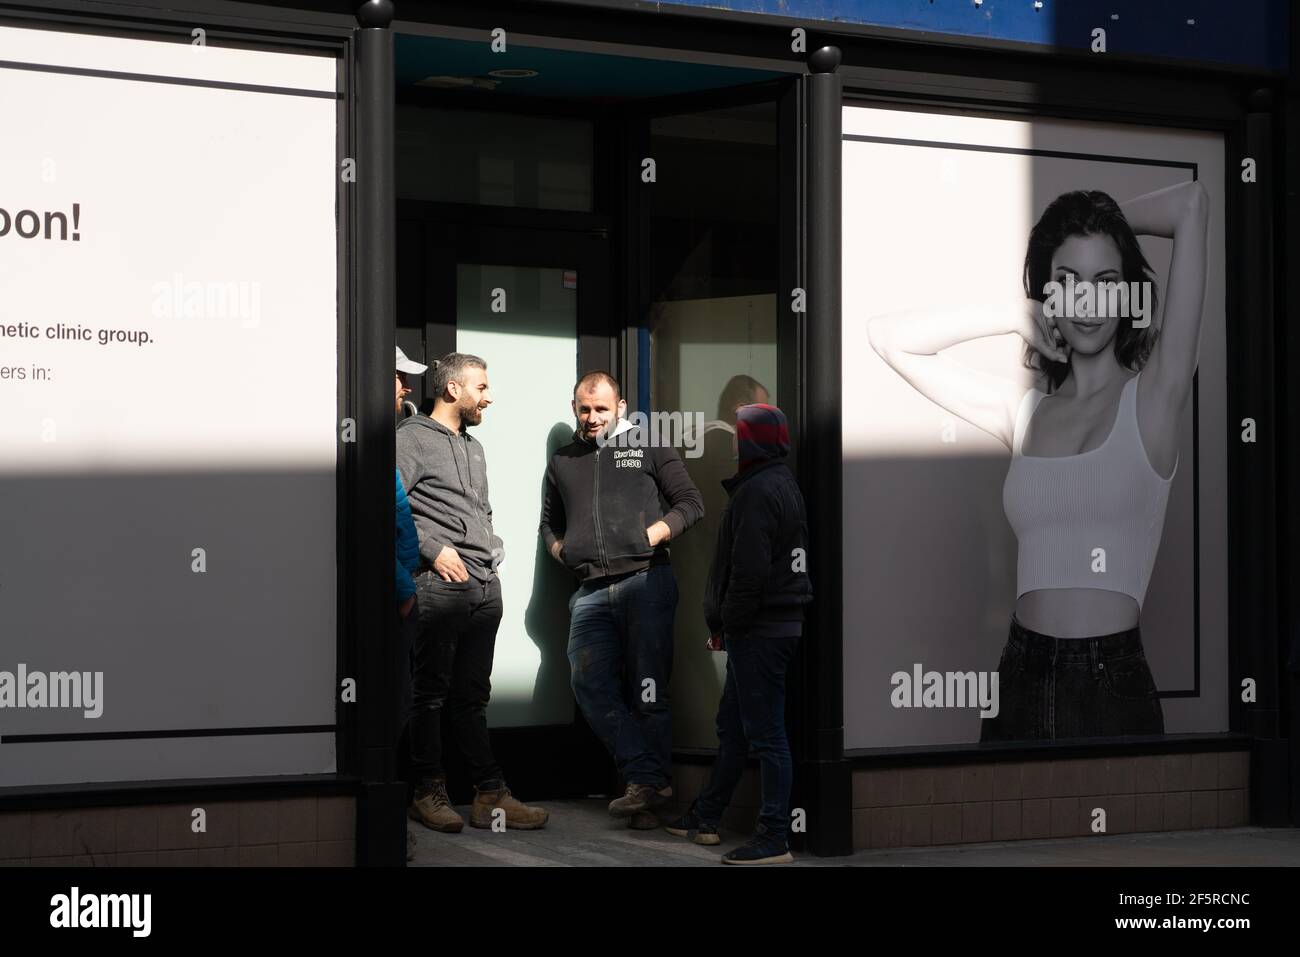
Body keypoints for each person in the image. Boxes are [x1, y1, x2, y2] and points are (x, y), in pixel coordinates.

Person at [866, 182, 1209, 740]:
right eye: (1068, 283)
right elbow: (887, 338)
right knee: (1002, 830)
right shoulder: (1021, 411)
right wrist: (1010, 313)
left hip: (1111, 685)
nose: (1088, 304)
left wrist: (1099, 219)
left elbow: (1192, 204)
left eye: (1105, 283)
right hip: (1018, 676)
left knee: (1118, 831)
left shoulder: (1155, 398)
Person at [540, 371, 704, 824]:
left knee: (648, 690)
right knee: (588, 684)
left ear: (621, 407)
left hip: (646, 581)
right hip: (590, 589)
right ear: (574, 407)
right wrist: (563, 551)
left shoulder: (648, 445)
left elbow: (691, 502)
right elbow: (548, 525)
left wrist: (656, 531)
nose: (591, 418)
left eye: (601, 409)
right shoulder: (563, 459)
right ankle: (649, 777)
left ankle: (647, 789)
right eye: (583, 408)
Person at [397, 352, 548, 832]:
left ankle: (489, 796)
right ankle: (426, 791)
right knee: (430, 696)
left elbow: (479, 510)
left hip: (484, 585)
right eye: (481, 387)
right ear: (453, 390)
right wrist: (432, 548)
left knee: (471, 697)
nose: (489, 396)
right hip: (438, 587)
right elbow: (386, 504)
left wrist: (493, 551)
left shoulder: (473, 446)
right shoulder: (411, 439)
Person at [666, 403, 812, 864]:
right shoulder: (780, 483)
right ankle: (706, 815)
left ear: (753, 441)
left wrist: (726, 625)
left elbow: (748, 574)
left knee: (766, 733)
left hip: (760, 631)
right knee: (735, 727)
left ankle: (774, 838)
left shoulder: (757, 492)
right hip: (769, 627)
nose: (732, 443)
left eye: (739, 435)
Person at [395, 347, 427, 860]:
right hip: (390, 601)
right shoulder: (387, 443)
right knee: (393, 709)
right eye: (398, 378)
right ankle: (389, 825)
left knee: (403, 704)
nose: (404, 388)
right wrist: (403, 589)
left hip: (401, 596)